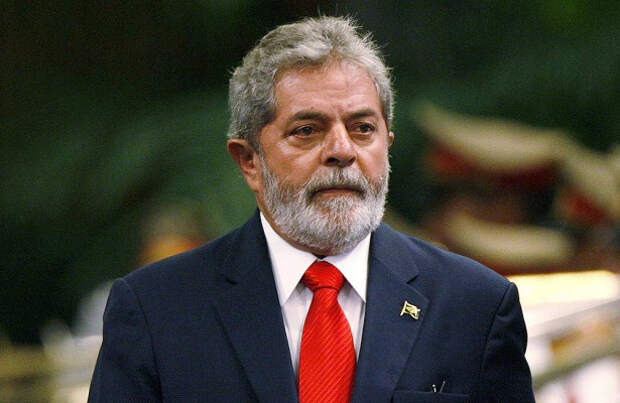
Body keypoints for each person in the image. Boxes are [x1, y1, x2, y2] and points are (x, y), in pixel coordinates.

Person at [89, 16, 534, 402]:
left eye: (362, 128)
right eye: (307, 130)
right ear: (249, 161)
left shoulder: (475, 306)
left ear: (387, 145)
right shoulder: (157, 310)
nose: (342, 150)